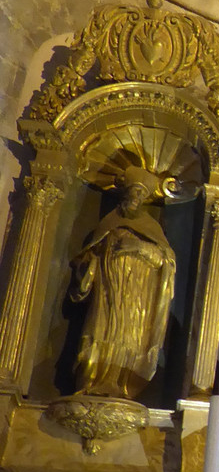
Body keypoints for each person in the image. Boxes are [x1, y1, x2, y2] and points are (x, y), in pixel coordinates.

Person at [69, 167, 176, 400]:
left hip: (137, 298)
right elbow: (89, 255)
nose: (135, 199)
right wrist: (90, 267)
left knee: (130, 340)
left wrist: (137, 247)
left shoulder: (152, 228)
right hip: (108, 292)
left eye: (140, 194)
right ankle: (91, 381)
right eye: (133, 193)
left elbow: (165, 260)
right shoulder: (109, 223)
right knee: (98, 332)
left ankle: (121, 386)